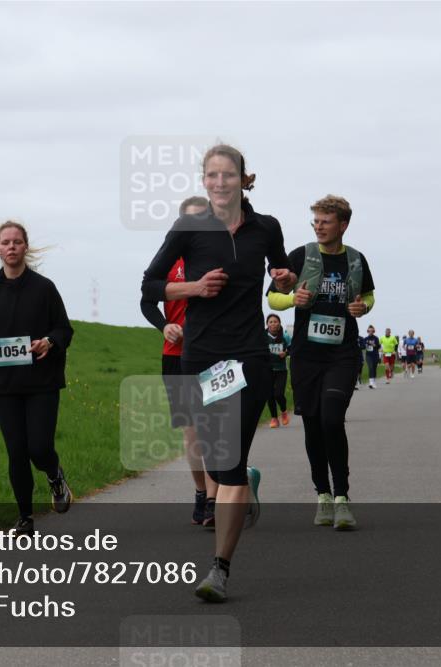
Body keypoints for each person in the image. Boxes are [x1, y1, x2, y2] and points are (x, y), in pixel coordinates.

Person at [141, 144, 296, 602]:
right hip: (201, 356)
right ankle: (244, 484)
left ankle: (219, 569)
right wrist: (195, 287)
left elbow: (279, 275)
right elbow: (150, 284)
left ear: (243, 180)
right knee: (216, 456)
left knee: (227, 467)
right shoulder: (189, 228)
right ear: (203, 180)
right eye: (211, 175)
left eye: (228, 175)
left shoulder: (266, 227)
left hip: (248, 356)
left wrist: (283, 281)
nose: (220, 182)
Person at [268, 194, 375, 531]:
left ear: (342, 224)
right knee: (313, 425)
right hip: (305, 354)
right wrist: (291, 298)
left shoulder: (356, 260)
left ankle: (342, 498)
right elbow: (272, 296)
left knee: (331, 417)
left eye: (325, 222)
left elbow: (369, 294)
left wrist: (363, 308)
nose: (319, 227)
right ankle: (323, 496)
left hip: (342, 353)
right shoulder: (301, 256)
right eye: (315, 221)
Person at [0, 221, 74, 537]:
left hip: (41, 382)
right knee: (16, 451)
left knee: (39, 448)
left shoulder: (44, 288)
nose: (11, 247)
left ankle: (54, 475)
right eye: (6, 242)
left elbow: (64, 330)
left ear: (25, 247)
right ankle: (25, 518)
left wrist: (49, 342)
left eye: (17, 241)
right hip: (3, 386)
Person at [140, 195, 218, 527]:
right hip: (175, 356)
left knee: (213, 428)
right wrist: (165, 325)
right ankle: (202, 492)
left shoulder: (219, 259)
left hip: (214, 353)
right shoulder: (168, 263)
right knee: (192, 433)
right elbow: (146, 301)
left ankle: (217, 499)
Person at [265, 314, 291, 427]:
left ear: (279, 323)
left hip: (281, 369)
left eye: (275, 321)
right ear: (267, 324)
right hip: (267, 370)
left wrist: (285, 353)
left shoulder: (285, 336)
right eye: (270, 322)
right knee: (269, 395)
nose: (273, 324)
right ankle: (274, 418)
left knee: (278, 394)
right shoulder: (263, 337)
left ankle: (284, 411)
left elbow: (292, 348)